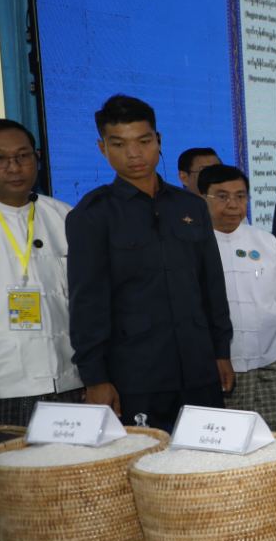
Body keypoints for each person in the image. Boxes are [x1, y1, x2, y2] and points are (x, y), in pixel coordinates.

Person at [67, 94, 232, 430]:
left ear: (158, 140)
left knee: (208, 456)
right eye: (119, 144)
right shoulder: (93, 214)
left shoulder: (190, 207)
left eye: (143, 141)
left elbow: (211, 285)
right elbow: (87, 303)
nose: (134, 153)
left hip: (199, 368)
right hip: (136, 376)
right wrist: (95, 377)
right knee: (144, 457)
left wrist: (221, 351)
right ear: (103, 148)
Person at [199, 165, 276, 432]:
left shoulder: (265, 242)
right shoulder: (194, 245)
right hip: (221, 367)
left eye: (240, 196)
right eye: (222, 196)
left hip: (270, 361)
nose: (233, 205)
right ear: (202, 198)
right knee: (228, 437)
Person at [0, 119, 81, 425]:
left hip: (70, 381)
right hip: (6, 384)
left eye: (22, 156)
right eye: (0, 159)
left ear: (37, 158)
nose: (14, 167)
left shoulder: (66, 217)